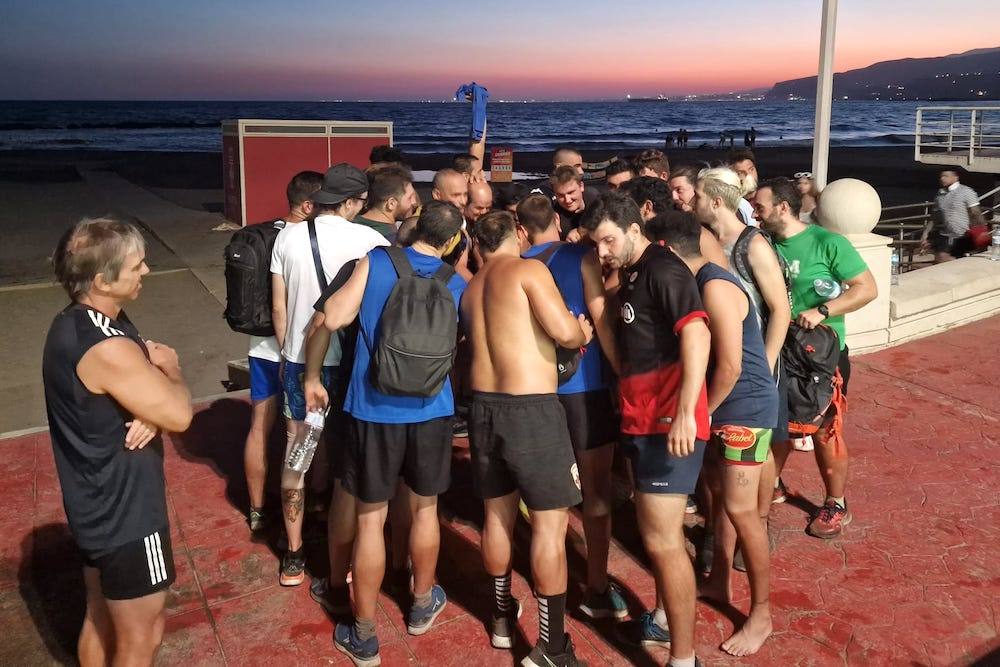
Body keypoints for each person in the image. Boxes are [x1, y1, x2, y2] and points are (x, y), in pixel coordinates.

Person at [321, 201, 468, 665]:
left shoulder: (378, 260)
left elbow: (333, 317)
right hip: (432, 409)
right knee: (425, 510)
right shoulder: (456, 282)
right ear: (450, 242)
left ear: (415, 228)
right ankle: (421, 603)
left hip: (373, 408)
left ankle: (363, 634)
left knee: (371, 519)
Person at [43, 217, 193, 666]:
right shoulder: (109, 349)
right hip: (128, 514)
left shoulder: (76, 322)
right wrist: (172, 371)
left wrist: (148, 410)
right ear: (102, 280)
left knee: (99, 617)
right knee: (141, 636)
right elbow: (182, 413)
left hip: (91, 503)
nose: (145, 271)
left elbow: (134, 390)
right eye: (136, 267)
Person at [582, 193, 711, 667]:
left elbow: (697, 333)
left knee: (662, 542)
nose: (603, 252)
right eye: (597, 244)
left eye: (609, 241)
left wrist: (684, 412)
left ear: (635, 229)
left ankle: (683, 658)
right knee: (657, 535)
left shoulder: (663, 270)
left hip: (666, 425)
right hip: (642, 419)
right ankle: (660, 616)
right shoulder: (636, 274)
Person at [646, 211, 778, 657]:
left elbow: (732, 366)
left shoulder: (714, 286)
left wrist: (698, 413)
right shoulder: (695, 284)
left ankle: (761, 613)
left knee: (743, 511)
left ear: (664, 250)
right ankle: (720, 579)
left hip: (743, 409)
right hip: (721, 407)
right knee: (716, 502)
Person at [464, 210, 592, 666]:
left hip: (483, 408)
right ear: (518, 235)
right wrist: (583, 331)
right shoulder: (528, 270)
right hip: (531, 411)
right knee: (549, 528)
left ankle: (501, 619)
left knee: (496, 516)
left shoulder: (472, 287)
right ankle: (551, 645)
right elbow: (562, 330)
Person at [270, 163, 390, 586]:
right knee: (347, 456)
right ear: (354, 202)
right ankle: (347, 553)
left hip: (302, 363)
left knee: (298, 452)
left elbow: (280, 307)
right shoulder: (370, 240)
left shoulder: (287, 235)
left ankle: (293, 554)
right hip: (353, 363)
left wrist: (288, 354)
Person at [516, 194, 625, 621]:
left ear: (522, 229)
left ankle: (551, 584)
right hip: (587, 387)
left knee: (548, 500)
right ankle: (596, 584)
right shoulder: (581, 255)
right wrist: (620, 375)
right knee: (596, 494)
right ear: (558, 222)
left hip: (539, 391)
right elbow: (601, 319)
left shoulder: (517, 266)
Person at [754, 178, 877, 538]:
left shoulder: (827, 242)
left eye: (761, 207)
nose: (756, 214)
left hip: (821, 356)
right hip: (779, 349)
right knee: (779, 424)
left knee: (825, 430)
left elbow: (866, 288)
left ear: (783, 207)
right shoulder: (762, 245)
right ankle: (772, 485)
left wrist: (824, 309)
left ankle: (835, 502)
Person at [694, 167, 791, 556]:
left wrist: (763, 369)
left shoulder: (752, 246)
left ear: (716, 201)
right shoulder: (705, 241)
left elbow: (780, 310)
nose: (692, 202)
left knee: (755, 454)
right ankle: (718, 533)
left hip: (752, 369)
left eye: (698, 196)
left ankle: (755, 527)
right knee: (718, 464)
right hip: (718, 365)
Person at [244, 171, 323, 534]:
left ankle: (257, 510)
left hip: (260, 347)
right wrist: (289, 351)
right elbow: (284, 309)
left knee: (260, 428)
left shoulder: (266, 235)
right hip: (295, 350)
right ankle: (312, 501)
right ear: (308, 205)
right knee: (306, 434)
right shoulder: (302, 239)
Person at [621, 176, 730, 271]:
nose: (624, 216)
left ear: (647, 208)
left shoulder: (690, 233)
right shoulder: (677, 229)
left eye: (628, 209)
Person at [920, 169, 986, 263]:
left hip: (963, 234)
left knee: (954, 261)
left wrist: (983, 229)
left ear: (955, 177)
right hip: (946, 234)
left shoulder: (966, 192)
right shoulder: (940, 194)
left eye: (946, 176)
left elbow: (976, 212)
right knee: (940, 258)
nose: (942, 178)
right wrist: (925, 233)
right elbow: (935, 217)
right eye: (941, 176)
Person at [354, 166, 418, 240]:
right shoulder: (390, 239)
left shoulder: (348, 222)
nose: (414, 202)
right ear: (391, 204)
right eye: (409, 198)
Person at [551, 165, 590, 240]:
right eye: (560, 195)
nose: (567, 200)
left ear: (581, 186)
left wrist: (581, 232)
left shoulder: (596, 199)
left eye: (571, 192)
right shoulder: (555, 218)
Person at [726, 149, 759, 226]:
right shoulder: (734, 207)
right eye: (741, 173)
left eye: (751, 169)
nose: (749, 175)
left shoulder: (767, 197)